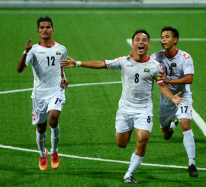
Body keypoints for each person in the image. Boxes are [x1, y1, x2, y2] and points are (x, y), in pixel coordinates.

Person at [60, 29, 184, 184]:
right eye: (137, 39)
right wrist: (77, 63)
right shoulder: (123, 61)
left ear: (148, 45)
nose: (141, 42)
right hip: (125, 110)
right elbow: (101, 64)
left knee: (143, 139)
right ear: (132, 44)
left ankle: (129, 174)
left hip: (143, 110)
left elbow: (162, 86)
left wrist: (173, 97)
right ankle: (132, 128)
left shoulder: (155, 66)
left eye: (144, 39)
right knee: (122, 144)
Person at [17, 16, 68, 170]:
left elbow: (62, 68)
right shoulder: (33, 50)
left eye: (48, 27)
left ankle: (54, 152)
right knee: (41, 127)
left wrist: (64, 79)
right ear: (38, 31)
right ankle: (42, 154)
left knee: (53, 119)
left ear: (52, 30)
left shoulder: (61, 49)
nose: (45, 30)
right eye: (42, 27)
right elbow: (19, 69)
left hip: (56, 91)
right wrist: (25, 52)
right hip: (39, 94)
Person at [151, 26, 198, 177]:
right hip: (166, 98)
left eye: (167, 37)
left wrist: (170, 80)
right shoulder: (155, 57)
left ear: (175, 40)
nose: (163, 40)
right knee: (164, 132)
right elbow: (143, 64)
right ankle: (170, 126)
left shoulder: (185, 57)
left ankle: (191, 163)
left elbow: (189, 78)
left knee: (186, 125)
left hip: (183, 96)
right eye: (162, 37)